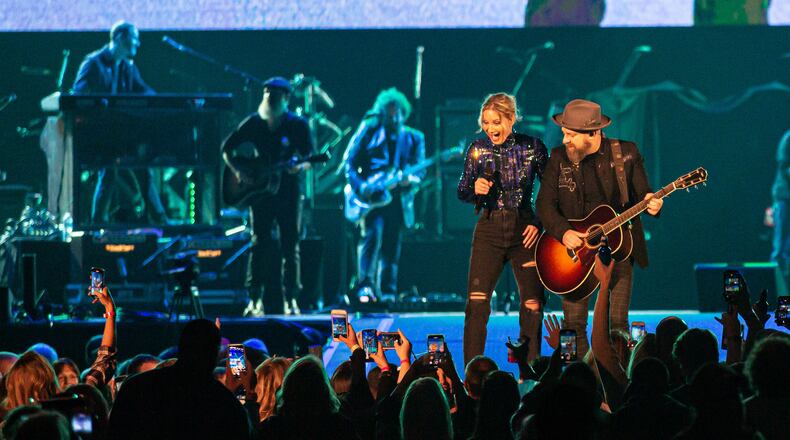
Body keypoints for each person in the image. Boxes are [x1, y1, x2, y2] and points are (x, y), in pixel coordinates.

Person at [536, 98, 664, 357]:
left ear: (593, 133)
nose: (565, 140)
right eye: (564, 133)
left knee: (618, 327)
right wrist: (564, 232)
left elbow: (644, 193)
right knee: (573, 327)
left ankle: (615, 383)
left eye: (571, 135)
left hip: (617, 251)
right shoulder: (559, 157)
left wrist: (653, 203)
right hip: (572, 256)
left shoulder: (626, 153)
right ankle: (583, 382)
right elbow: (544, 205)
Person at [457, 92, 547, 365]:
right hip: (489, 228)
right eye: (485, 122)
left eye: (496, 121)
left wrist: (538, 222)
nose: (490, 128)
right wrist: (474, 189)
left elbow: (553, 191)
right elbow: (462, 190)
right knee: (477, 302)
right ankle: (474, 374)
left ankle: (529, 371)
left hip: (524, 230)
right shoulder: (476, 149)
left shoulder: (534, 147)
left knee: (533, 304)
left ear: (511, 119)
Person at [222, 77, 314, 316]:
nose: (269, 99)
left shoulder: (297, 125)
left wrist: (298, 167)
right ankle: (254, 300)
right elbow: (226, 148)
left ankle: (291, 300)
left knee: (290, 244)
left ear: (286, 98)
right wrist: (240, 170)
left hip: (288, 191)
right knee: (258, 242)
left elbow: (309, 159)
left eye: (274, 95)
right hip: (260, 193)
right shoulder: (254, 122)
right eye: (266, 94)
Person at [71, 20, 167, 225]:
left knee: (142, 168)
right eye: (134, 39)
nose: (138, 44)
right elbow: (77, 95)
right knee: (109, 171)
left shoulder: (127, 67)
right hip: (97, 135)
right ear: (120, 38)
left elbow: (144, 91)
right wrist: (99, 104)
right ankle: (98, 222)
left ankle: (158, 219)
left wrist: (165, 102)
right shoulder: (93, 63)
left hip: (119, 135)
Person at [344, 87, 426, 304]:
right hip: (372, 198)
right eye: (389, 114)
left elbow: (421, 171)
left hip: (398, 200)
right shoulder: (369, 131)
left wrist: (411, 180)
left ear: (403, 112)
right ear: (382, 113)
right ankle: (365, 288)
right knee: (371, 237)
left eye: (397, 113)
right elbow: (349, 162)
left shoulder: (414, 137)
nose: (394, 118)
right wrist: (360, 187)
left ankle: (388, 292)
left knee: (392, 245)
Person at [107, 319, 250, 439]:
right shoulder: (225, 404)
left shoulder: (136, 387)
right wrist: (232, 353)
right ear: (214, 355)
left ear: (181, 347)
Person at [770, 130, 790, 286]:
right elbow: (786, 168)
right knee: (781, 248)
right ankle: (776, 290)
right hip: (785, 198)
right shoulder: (788, 138)